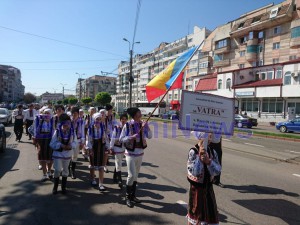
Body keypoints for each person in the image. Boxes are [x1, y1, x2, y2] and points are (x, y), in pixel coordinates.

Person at [120, 107, 152, 208]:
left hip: (140, 153)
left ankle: (133, 196)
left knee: (136, 176)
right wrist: (130, 137)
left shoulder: (142, 124)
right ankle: (127, 197)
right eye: (138, 112)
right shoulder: (128, 125)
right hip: (130, 153)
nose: (140, 113)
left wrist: (147, 127)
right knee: (131, 175)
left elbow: (150, 136)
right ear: (135, 114)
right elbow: (121, 139)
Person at [187, 132, 221, 225]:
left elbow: (217, 171)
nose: (209, 139)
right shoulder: (193, 151)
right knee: (195, 218)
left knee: (210, 217)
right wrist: (200, 158)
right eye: (207, 136)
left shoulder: (212, 152)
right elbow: (195, 172)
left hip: (209, 189)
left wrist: (209, 162)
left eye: (211, 136)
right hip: (197, 191)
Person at [50, 113, 77, 195]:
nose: (67, 125)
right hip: (58, 154)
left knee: (65, 170)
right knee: (57, 170)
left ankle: (63, 187)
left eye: (68, 123)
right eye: (65, 123)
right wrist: (60, 145)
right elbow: (52, 143)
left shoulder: (72, 132)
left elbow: (75, 142)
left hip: (67, 154)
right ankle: (55, 186)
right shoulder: (57, 132)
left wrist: (71, 146)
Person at [86, 112, 109, 192]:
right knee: (92, 165)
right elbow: (88, 139)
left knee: (101, 166)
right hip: (93, 147)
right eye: (96, 119)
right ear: (94, 119)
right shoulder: (90, 128)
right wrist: (90, 148)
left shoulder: (103, 127)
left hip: (101, 147)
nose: (98, 120)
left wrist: (107, 147)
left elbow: (106, 138)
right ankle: (93, 179)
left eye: (99, 119)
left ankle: (101, 184)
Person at [33, 108, 54, 182]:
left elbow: (54, 130)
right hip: (41, 140)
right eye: (45, 113)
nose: (46, 114)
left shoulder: (53, 119)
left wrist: (49, 122)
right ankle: (44, 174)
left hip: (50, 140)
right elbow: (35, 129)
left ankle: (49, 172)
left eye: (48, 113)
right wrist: (35, 138)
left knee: (50, 157)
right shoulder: (38, 119)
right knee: (42, 157)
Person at [109, 113, 128, 189]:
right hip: (117, 148)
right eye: (122, 119)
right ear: (120, 120)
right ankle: (120, 180)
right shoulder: (117, 128)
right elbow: (113, 138)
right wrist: (111, 147)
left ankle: (114, 177)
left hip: (124, 148)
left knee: (118, 162)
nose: (123, 120)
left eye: (125, 119)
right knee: (118, 162)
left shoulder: (128, 127)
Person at [69, 106, 85, 179]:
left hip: (77, 141)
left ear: (78, 114)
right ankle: (67, 169)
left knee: (75, 156)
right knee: (68, 155)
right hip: (69, 141)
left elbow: (82, 132)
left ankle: (73, 171)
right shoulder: (69, 120)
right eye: (73, 113)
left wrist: (82, 142)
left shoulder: (81, 121)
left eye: (75, 113)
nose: (74, 115)